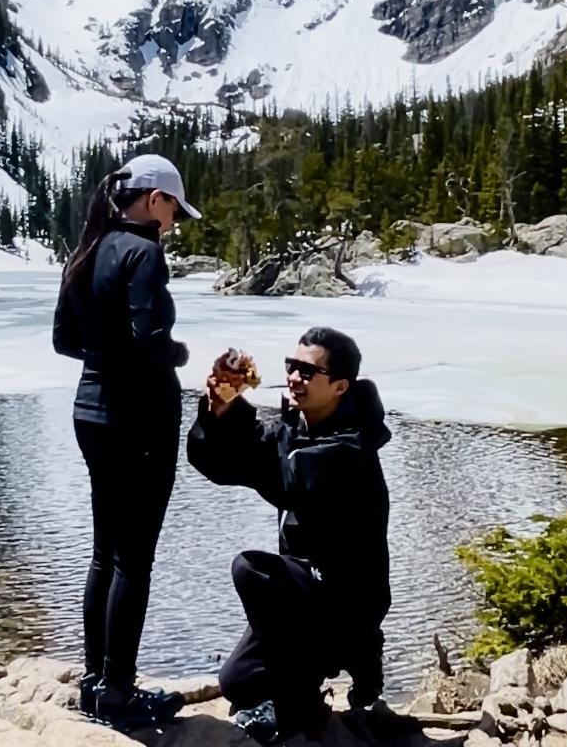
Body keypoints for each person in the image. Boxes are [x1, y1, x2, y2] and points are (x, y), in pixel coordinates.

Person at [52, 154, 201, 731]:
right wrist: (180, 354)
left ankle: (95, 682)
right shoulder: (143, 253)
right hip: (141, 419)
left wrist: (106, 353)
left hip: (91, 413)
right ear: (155, 200)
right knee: (134, 560)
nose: (173, 223)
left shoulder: (87, 250)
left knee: (103, 553)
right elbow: (151, 340)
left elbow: (66, 341)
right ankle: (119, 692)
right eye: (173, 211)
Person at [187, 327, 391, 744]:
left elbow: (287, 478)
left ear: (339, 386)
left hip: (347, 603)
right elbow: (224, 465)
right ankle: (304, 677)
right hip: (304, 594)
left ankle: (335, 674)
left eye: (307, 371)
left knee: (252, 570)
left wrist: (245, 417)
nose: (294, 378)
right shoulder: (297, 429)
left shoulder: (352, 447)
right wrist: (221, 408)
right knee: (238, 682)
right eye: (290, 367)